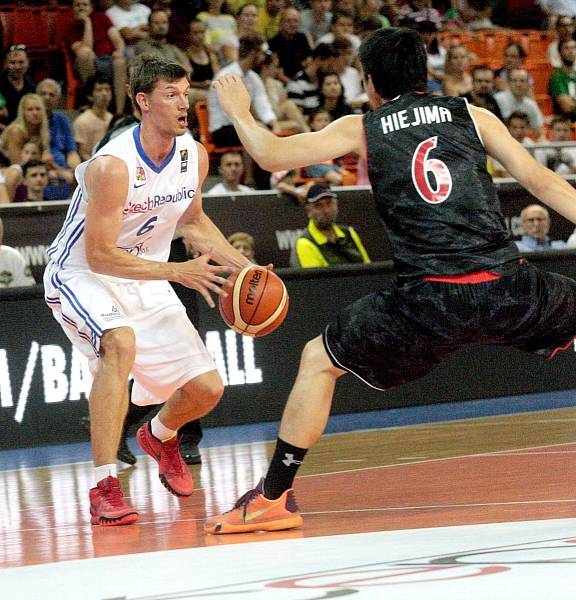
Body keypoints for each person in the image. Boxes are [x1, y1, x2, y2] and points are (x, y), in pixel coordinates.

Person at [207, 26, 576, 534]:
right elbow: (541, 181)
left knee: (318, 360)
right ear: (424, 74)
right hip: (506, 287)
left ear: (370, 82)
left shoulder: (365, 125)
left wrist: (241, 110)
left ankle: (272, 499)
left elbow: (269, 154)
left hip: (429, 302)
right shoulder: (473, 114)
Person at [44, 56, 250, 526]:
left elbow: (194, 222)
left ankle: (160, 434)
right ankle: (104, 485)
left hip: (147, 272)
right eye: (172, 95)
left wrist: (246, 268)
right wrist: (178, 272)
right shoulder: (112, 167)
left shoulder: (192, 155)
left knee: (206, 389)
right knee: (120, 343)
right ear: (143, 102)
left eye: (186, 93)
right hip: (81, 273)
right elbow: (99, 257)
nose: (185, 103)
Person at [291, 183, 371, 267]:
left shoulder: (349, 232)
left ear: (336, 204)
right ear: (308, 210)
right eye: (318, 206)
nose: (326, 211)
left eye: (329, 203)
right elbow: (316, 279)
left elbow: (368, 266)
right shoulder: (304, 243)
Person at [495, 68, 544, 139]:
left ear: (528, 84)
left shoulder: (531, 105)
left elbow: (539, 133)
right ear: (508, 82)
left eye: (522, 81)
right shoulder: (498, 99)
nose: (518, 84)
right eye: (514, 81)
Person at [73, 80, 115, 161]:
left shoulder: (112, 118)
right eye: (99, 90)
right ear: (90, 96)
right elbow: (83, 154)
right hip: (91, 164)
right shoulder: (82, 121)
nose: (104, 93)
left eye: (107, 89)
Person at [548, 38, 576, 121]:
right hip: (565, 122)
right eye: (566, 48)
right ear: (559, 52)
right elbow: (567, 106)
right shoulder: (556, 77)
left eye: (574, 48)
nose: (570, 51)